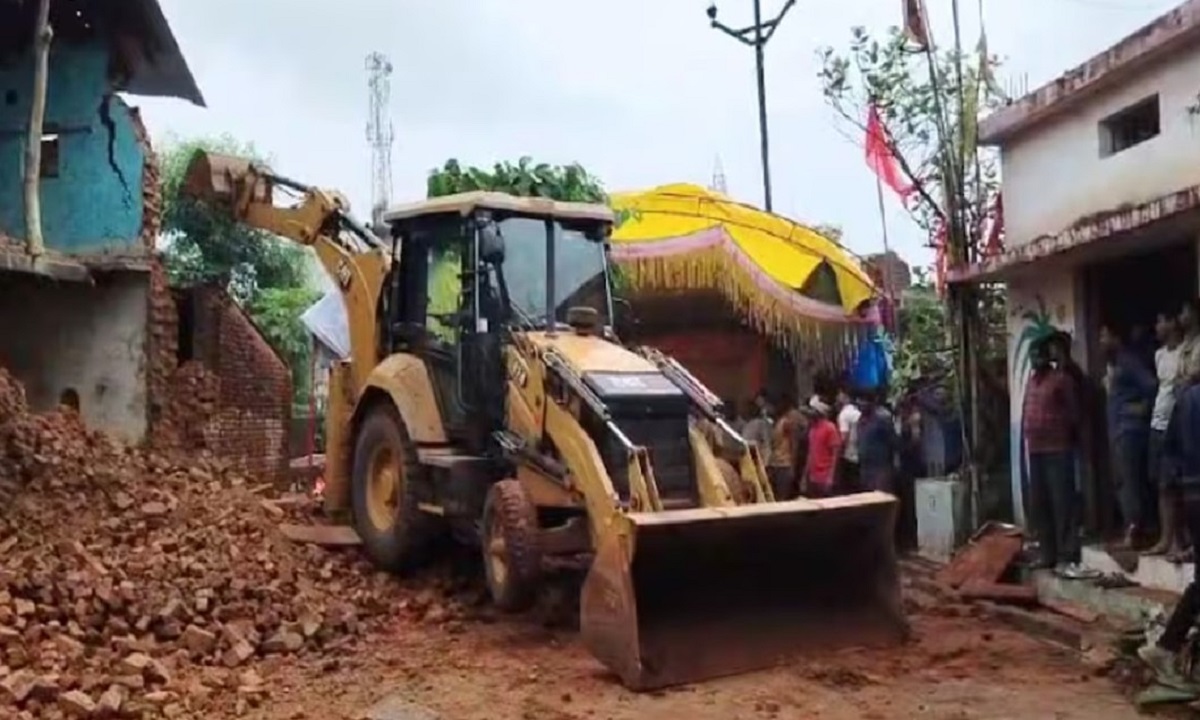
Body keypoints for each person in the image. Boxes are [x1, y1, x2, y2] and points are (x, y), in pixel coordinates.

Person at [1138, 381, 1200, 686]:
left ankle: (1168, 646)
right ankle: (1168, 647)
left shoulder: (1185, 399)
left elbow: (1169, 450)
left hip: (1191, 494)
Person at [1023, 338, 1082, 574]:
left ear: (1049, 356)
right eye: (1032, 354)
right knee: (1041, 503)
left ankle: (1066, 554)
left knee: (1062, 503)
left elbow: (1074, 413)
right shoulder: (1031, 382)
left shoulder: (1062, 380)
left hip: (1058, 448)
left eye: (1039, 354)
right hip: (1035, 450)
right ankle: (1047, 553)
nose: (1036, 359)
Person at [1102, 325, 1159, 548]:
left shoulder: (1128, 361)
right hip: (1117, 429)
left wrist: (1143, 407)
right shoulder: (1115, 365)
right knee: (1123, 481)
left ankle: (1135, 531)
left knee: (1130, 482)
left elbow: (1151, 384)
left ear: (1116, 337)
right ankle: (1132, 527)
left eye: (1105, 335)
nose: (1101, 341)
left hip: (1129, 430)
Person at [1147, 313, 1184, 556]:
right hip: (1157, 424)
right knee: (1160, 483)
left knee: (1177, 484)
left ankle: (1179, 540)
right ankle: (1166, 537)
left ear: (1172, 323)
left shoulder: (1185, 354)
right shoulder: (1159, 355)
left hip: (1177, 424)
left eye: (1161, 320)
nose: (1158, 326)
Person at [856, 389, 898, 494]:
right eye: (858, 401)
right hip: (865, 468)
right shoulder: (861, 420)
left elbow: (893, 442)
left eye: (863, 401)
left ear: (871, 403)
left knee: (881, 498)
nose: (860, 403)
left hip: (880, 468)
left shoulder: (882, 419)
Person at [802, 396, 841, 498]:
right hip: (813, 477)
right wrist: (805, 475)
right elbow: (810, 453)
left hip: (824, 476)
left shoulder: (830, 428)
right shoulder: (812, 429)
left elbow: (835, 455)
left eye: (812, 410)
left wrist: (830, 477)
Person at [767, 394, 804, 500]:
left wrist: (793, 466)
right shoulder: (776, 422)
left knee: (783, 497)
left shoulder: (787, 422)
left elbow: (794, 444)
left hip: (785, 464)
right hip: (776, 463)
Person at [835, 386, 862, 493]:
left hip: (849, 456)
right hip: (859, 454)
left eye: (839, 394)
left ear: (845, 397)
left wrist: (838, 455)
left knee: (849, 489)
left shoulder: (844, 414)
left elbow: (843, 437)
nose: (837, 397)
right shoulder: (857, 411)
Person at [742, 395, 773, 462]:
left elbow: (767, 443)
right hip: (747, 457)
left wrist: (766, 461)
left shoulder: (761, 423)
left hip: (759, 458)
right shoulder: (746, 424)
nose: (748, 409)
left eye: (751, 407)